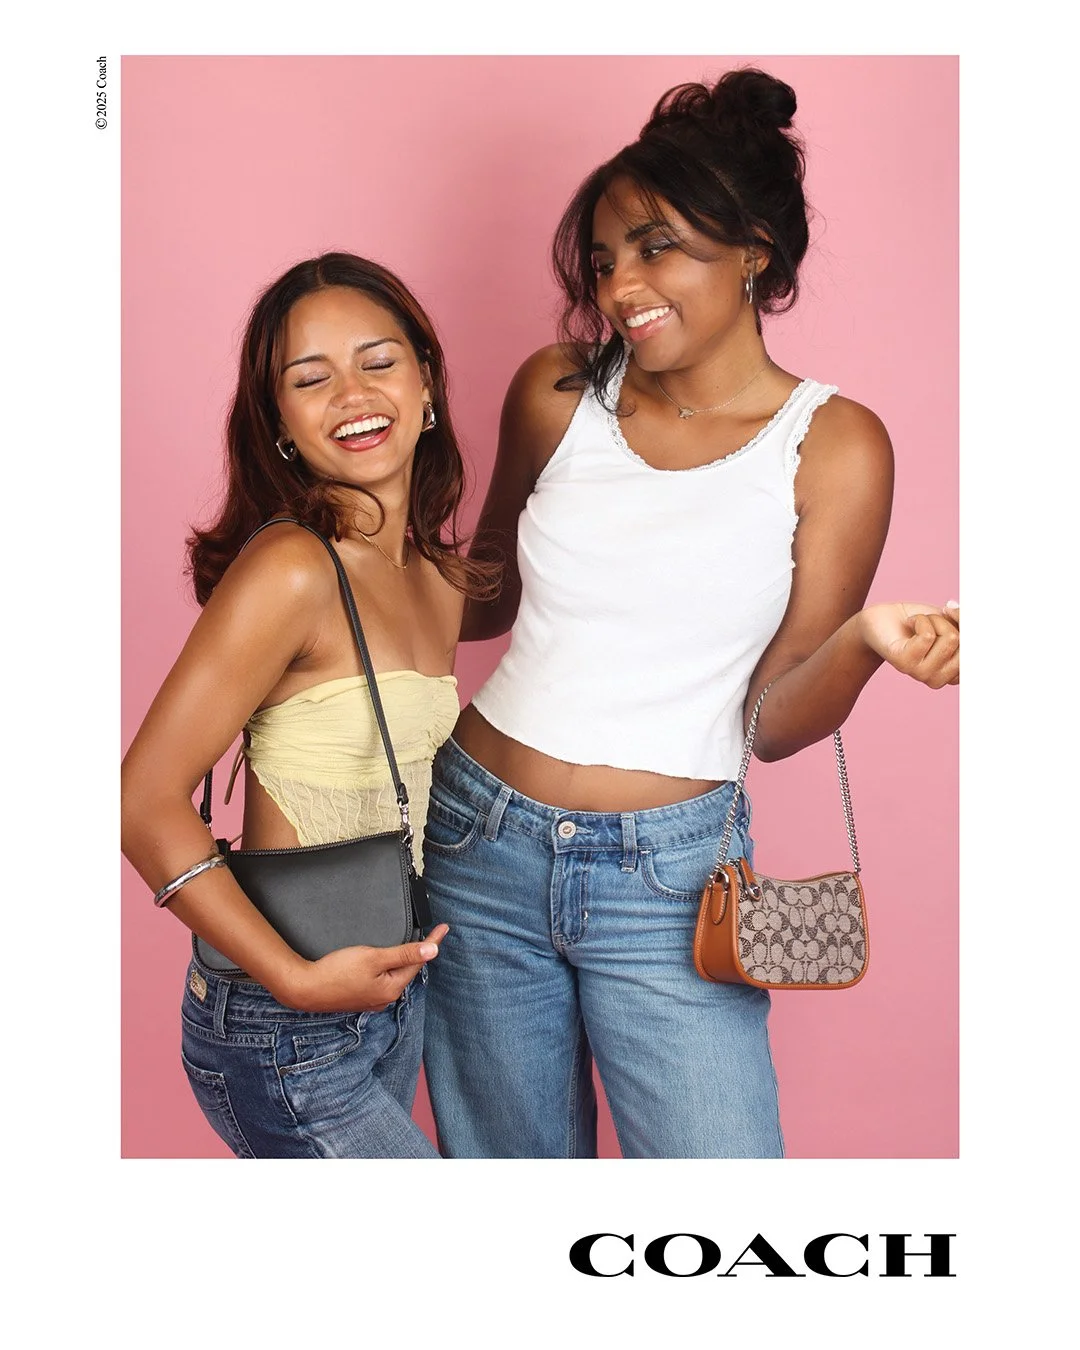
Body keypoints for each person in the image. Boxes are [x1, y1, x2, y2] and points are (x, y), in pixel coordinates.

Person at [420, 69, 960, 1159]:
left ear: (754, 249)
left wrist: (863, 644)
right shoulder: (557, 389)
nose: (622, 285)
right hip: (476, 839)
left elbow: (772, 725)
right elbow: (483, 595)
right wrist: (346, 546)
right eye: (607, 257)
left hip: (667, 876)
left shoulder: (835, 442)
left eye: (657, 246)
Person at [121, 252, 493, 1158]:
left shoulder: (437, 578)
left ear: (427, 380)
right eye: (309, 379)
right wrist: (293, 979)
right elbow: (141, 802)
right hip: (283, 1018)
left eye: (379, 361)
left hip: (390, 993)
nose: (353, 396)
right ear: (279, 421)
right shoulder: (291, 567)